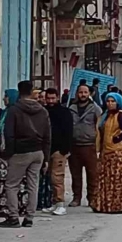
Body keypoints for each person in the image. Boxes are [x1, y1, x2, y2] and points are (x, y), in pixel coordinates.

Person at [0, 81, 51, 229]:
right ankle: (29, 217)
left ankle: (13, 217)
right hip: (38, 151)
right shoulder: (42, 110)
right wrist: (46, 157)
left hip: (20, 151)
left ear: (19, 92)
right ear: (32, 91)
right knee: (33, 185)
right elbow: (48, 135)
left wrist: (7, 153)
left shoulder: (14, 110)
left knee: (11, 185)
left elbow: (9, 134)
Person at [91, 93, 122, 213]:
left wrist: (116, 139)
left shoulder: (120, 115)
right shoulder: (105, 116)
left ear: (118, 102)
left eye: (112, 101)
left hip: (117, 152)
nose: (110, 103)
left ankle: (118, 205)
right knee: (106, 179)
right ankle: (104, 204)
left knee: (117, 180)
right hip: (105, 151)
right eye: (108, 101)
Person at [68, 84, 102, 208]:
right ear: (77, 93)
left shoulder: (95, 109)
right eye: (81, 92)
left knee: (92, 174)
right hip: (74, 146)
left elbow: (99, 126)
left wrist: (99, 145)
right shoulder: (71, 108)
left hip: (90, 146)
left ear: (90, 94)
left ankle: (92, 198)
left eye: (85, 92)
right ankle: (76, 197)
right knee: (75, 174)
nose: (83, 94)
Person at [0, 89, 19, 218]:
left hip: (8, 154)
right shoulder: (5, 113)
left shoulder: (14, 113)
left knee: (7, 181)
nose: (3, 99)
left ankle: (7, 207)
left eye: (6, 97)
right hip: (0, 153)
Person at [43, 88, 73, 216]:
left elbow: (69, 131)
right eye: (48, 98)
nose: (50, 101)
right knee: (50, 177)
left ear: (57, 98)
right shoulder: (44, 112)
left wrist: (64, 149)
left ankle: (60, 204)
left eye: (52, 98)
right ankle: (54, 202)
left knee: (57, 178)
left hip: (59, 150)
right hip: (47, 150)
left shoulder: (65, 112)